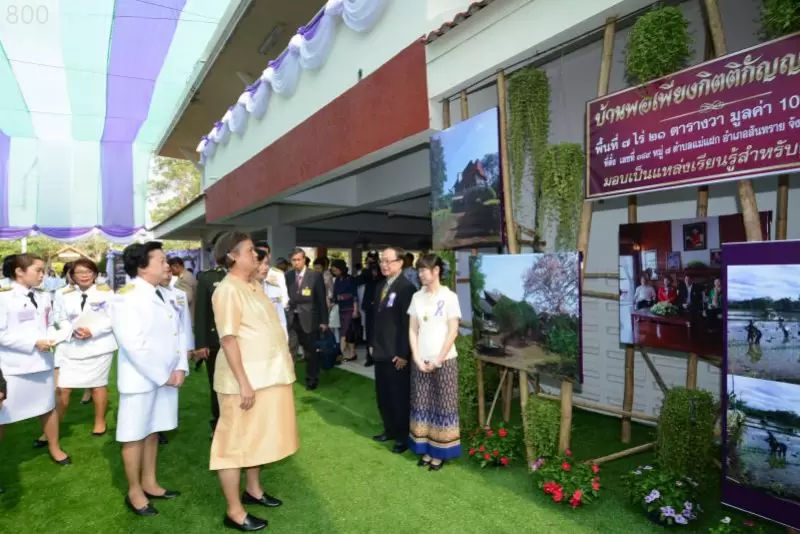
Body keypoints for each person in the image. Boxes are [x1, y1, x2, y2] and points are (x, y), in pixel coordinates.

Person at [210, 231, 299, 531]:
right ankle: (234, 511)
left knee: (256, 438)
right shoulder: (228, 289)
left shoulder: (253, 285)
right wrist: (243, 383)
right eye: (249, 250)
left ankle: (253, 489)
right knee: (233, 446)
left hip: (266, 376)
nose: (256, 255)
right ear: (232, 256)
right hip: (243, 381)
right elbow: (228, 339)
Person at [111, 241, 189, 517]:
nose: (167, 265)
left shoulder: (164, 293)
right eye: (161, 260)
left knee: (154, 429)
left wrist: (180, 367)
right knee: (134, 434)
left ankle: (150, 482)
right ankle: (134, 491)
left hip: (166, 376)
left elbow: (178, 333)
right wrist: (163, 374)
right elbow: (133, 344)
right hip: (142, 379)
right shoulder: (126, 297)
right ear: (142, 266)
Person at [0, 253, 71, 467]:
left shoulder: (43, 295)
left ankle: (55, 447)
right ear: (19, 272)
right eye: (38, 270)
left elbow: (48, 324)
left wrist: (55, 337)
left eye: (43, 271)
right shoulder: (4, 297)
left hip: (42, 363)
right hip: (14, 368)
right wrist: (33, 343)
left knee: (47, 407)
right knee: (3, 416)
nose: (43, 275)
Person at [48, 259, 116, 438]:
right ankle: (52, 429)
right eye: (79, 272)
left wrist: (93, 331)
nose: (84, 275)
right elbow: (58, 318)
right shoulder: (62, 293)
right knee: (63, 387)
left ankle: (99, 421)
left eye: (88, 271)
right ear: (72, 275)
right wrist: (71, 331)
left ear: (95, 274)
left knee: (98, 385)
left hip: (99, 345)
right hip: (71, 344)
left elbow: (113, 318)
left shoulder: (106, 292)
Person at [407, 254, 462, 470]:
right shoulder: (417, 297)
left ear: (436, 270)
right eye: (419, 270)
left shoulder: (449, 297)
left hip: (445, 361)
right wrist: (416, 357)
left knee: (443, 406)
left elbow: (453, 332)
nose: (420, 274)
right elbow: (413, 329)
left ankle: (440, 453)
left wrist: (438, 360)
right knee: (422, 405)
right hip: (421, 360)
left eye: (424, 270)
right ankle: (427, 450)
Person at [371, 247, 416, 454]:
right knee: (383, 395)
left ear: (400, 263)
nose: (384, 265)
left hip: (397, 353)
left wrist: (404, 353)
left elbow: (408, 324)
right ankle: (389, 429)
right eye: (382, 261)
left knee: (399, 397)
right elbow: (375, 319)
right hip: (380, 350)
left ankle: (402, 437)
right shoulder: (380, 285)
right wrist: (371, 343)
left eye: (388, 261)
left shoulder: (407, 288)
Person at [194, 232, 228, 437]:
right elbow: (201, 313)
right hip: (216, 341)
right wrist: (201, 343)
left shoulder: (246, 275)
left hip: (243, 340)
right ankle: (218, 422)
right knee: (217, 384)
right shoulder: (208, 277)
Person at [285, 248, 328, 390]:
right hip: (292, 319)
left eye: (299, 260)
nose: (296, 263)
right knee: (290, 350)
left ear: (304, 260)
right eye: (293, 260)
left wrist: (324, 321)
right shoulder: (288, 276)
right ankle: (288, 378)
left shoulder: (315, 275)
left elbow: (321, 299)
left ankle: (312, 378)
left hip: (309, 319)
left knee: (310, 352)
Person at [254, 241, 289, 339]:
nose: (265, 267)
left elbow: (281, 314)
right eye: (260, 263)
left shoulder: (275, 283)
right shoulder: (243, 286)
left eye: (266, 263)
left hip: (273, 332)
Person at [331, 259, 359, 361]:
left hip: (349, 308)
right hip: (340, 308)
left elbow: (355, 295)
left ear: (341, 269)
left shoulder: (350, 279)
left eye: (336, 270)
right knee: (348, 331)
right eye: (333, 271)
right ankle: (352, 353)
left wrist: (355, 310)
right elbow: (335, 295)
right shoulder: (337, 280)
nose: (334, 272)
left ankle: (340, 353)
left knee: (344, 331)